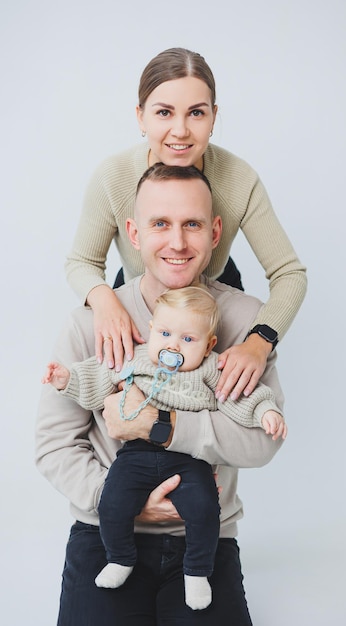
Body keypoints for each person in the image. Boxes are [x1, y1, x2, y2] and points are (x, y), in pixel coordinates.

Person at [36, 163, 286, 625]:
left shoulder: (244, 323)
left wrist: (161, 426)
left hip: (205, 535)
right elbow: (54, 445)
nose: (177, 242)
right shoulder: (88, 324)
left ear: (215, 232)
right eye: (160, 224)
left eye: (192, 224)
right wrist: (122, 501)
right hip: (103, 531)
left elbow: (260, 441)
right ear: (133, 232)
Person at [65, 46, 307, 402]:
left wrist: (260, 342)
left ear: (213, 117)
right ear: (140, 117)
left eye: (196, 113)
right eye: (164, 112)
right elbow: (81, 262)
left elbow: (290, 273)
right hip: (137, 293)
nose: (180, 131)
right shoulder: (112, 176)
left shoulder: (240, 179)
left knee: (222, 404)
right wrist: (105, 302)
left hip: (210, 292)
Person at [42, 284, 286, 609]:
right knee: (113, 499)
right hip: (136, 457)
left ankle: (197, 571)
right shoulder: (135, 358)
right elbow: (96, 379)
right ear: (151, 330)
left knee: (204, 507)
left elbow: (242, 397)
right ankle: (120, 558)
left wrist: (265, 411)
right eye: (166, 333)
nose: (174, 345)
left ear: (209, 344)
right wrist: (67, 380)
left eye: (188, 339)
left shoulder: (212, 368)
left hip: (189, 461)